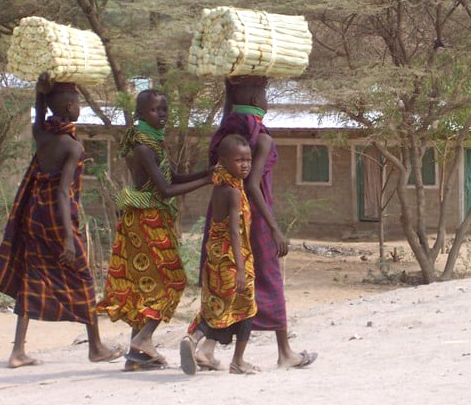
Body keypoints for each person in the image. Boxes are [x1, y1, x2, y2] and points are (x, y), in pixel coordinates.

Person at [0, 73, 122, 368]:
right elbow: (63, 193)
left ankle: (18, 351)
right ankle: (96, 346)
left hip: (34, 214)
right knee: (84, 279)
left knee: (32, 278)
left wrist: (39, 92)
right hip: (57, 219)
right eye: (75, 102)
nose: (78, 106)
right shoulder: (72, 147)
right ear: (68, 107)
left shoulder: (43, 136)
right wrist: (68, 238)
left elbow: (38, 117)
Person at [193, 76, 317, 370]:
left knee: (228, 283)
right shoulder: (261, 138)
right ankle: (284, 352)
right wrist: (274, 228)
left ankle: (208, 346)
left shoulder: (227, 134)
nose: (266, 98)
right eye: (263, 92)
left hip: (223, 219)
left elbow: (229, 113)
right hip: (255, 219)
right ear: (255, 99)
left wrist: (228, 88)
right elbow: (252, 185)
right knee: (269, 280)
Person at [95, 89, 213, 371]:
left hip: (146, 219)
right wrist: (207, 182)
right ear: (139, 114)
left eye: (164, 110)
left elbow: (173, 177)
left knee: (143, 285)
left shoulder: (153, 143)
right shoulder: (144, 148)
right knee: (173, 280)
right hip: (147, 221)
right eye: (154, 110)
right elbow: (167, 189)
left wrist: (207, 173)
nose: (161, 115)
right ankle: (144, 338)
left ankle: (136, 358)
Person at [179, 133, 258, 375]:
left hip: (215, 258)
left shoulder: (222, 186)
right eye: (238, 160)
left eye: (248, 160)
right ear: (223, 162)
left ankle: (201, 347)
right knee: (247, 307)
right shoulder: (233, 192)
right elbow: (234, 232)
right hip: (233, 260)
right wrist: (241, 269)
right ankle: (238, 361)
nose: (244, 165)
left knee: (217, 305)